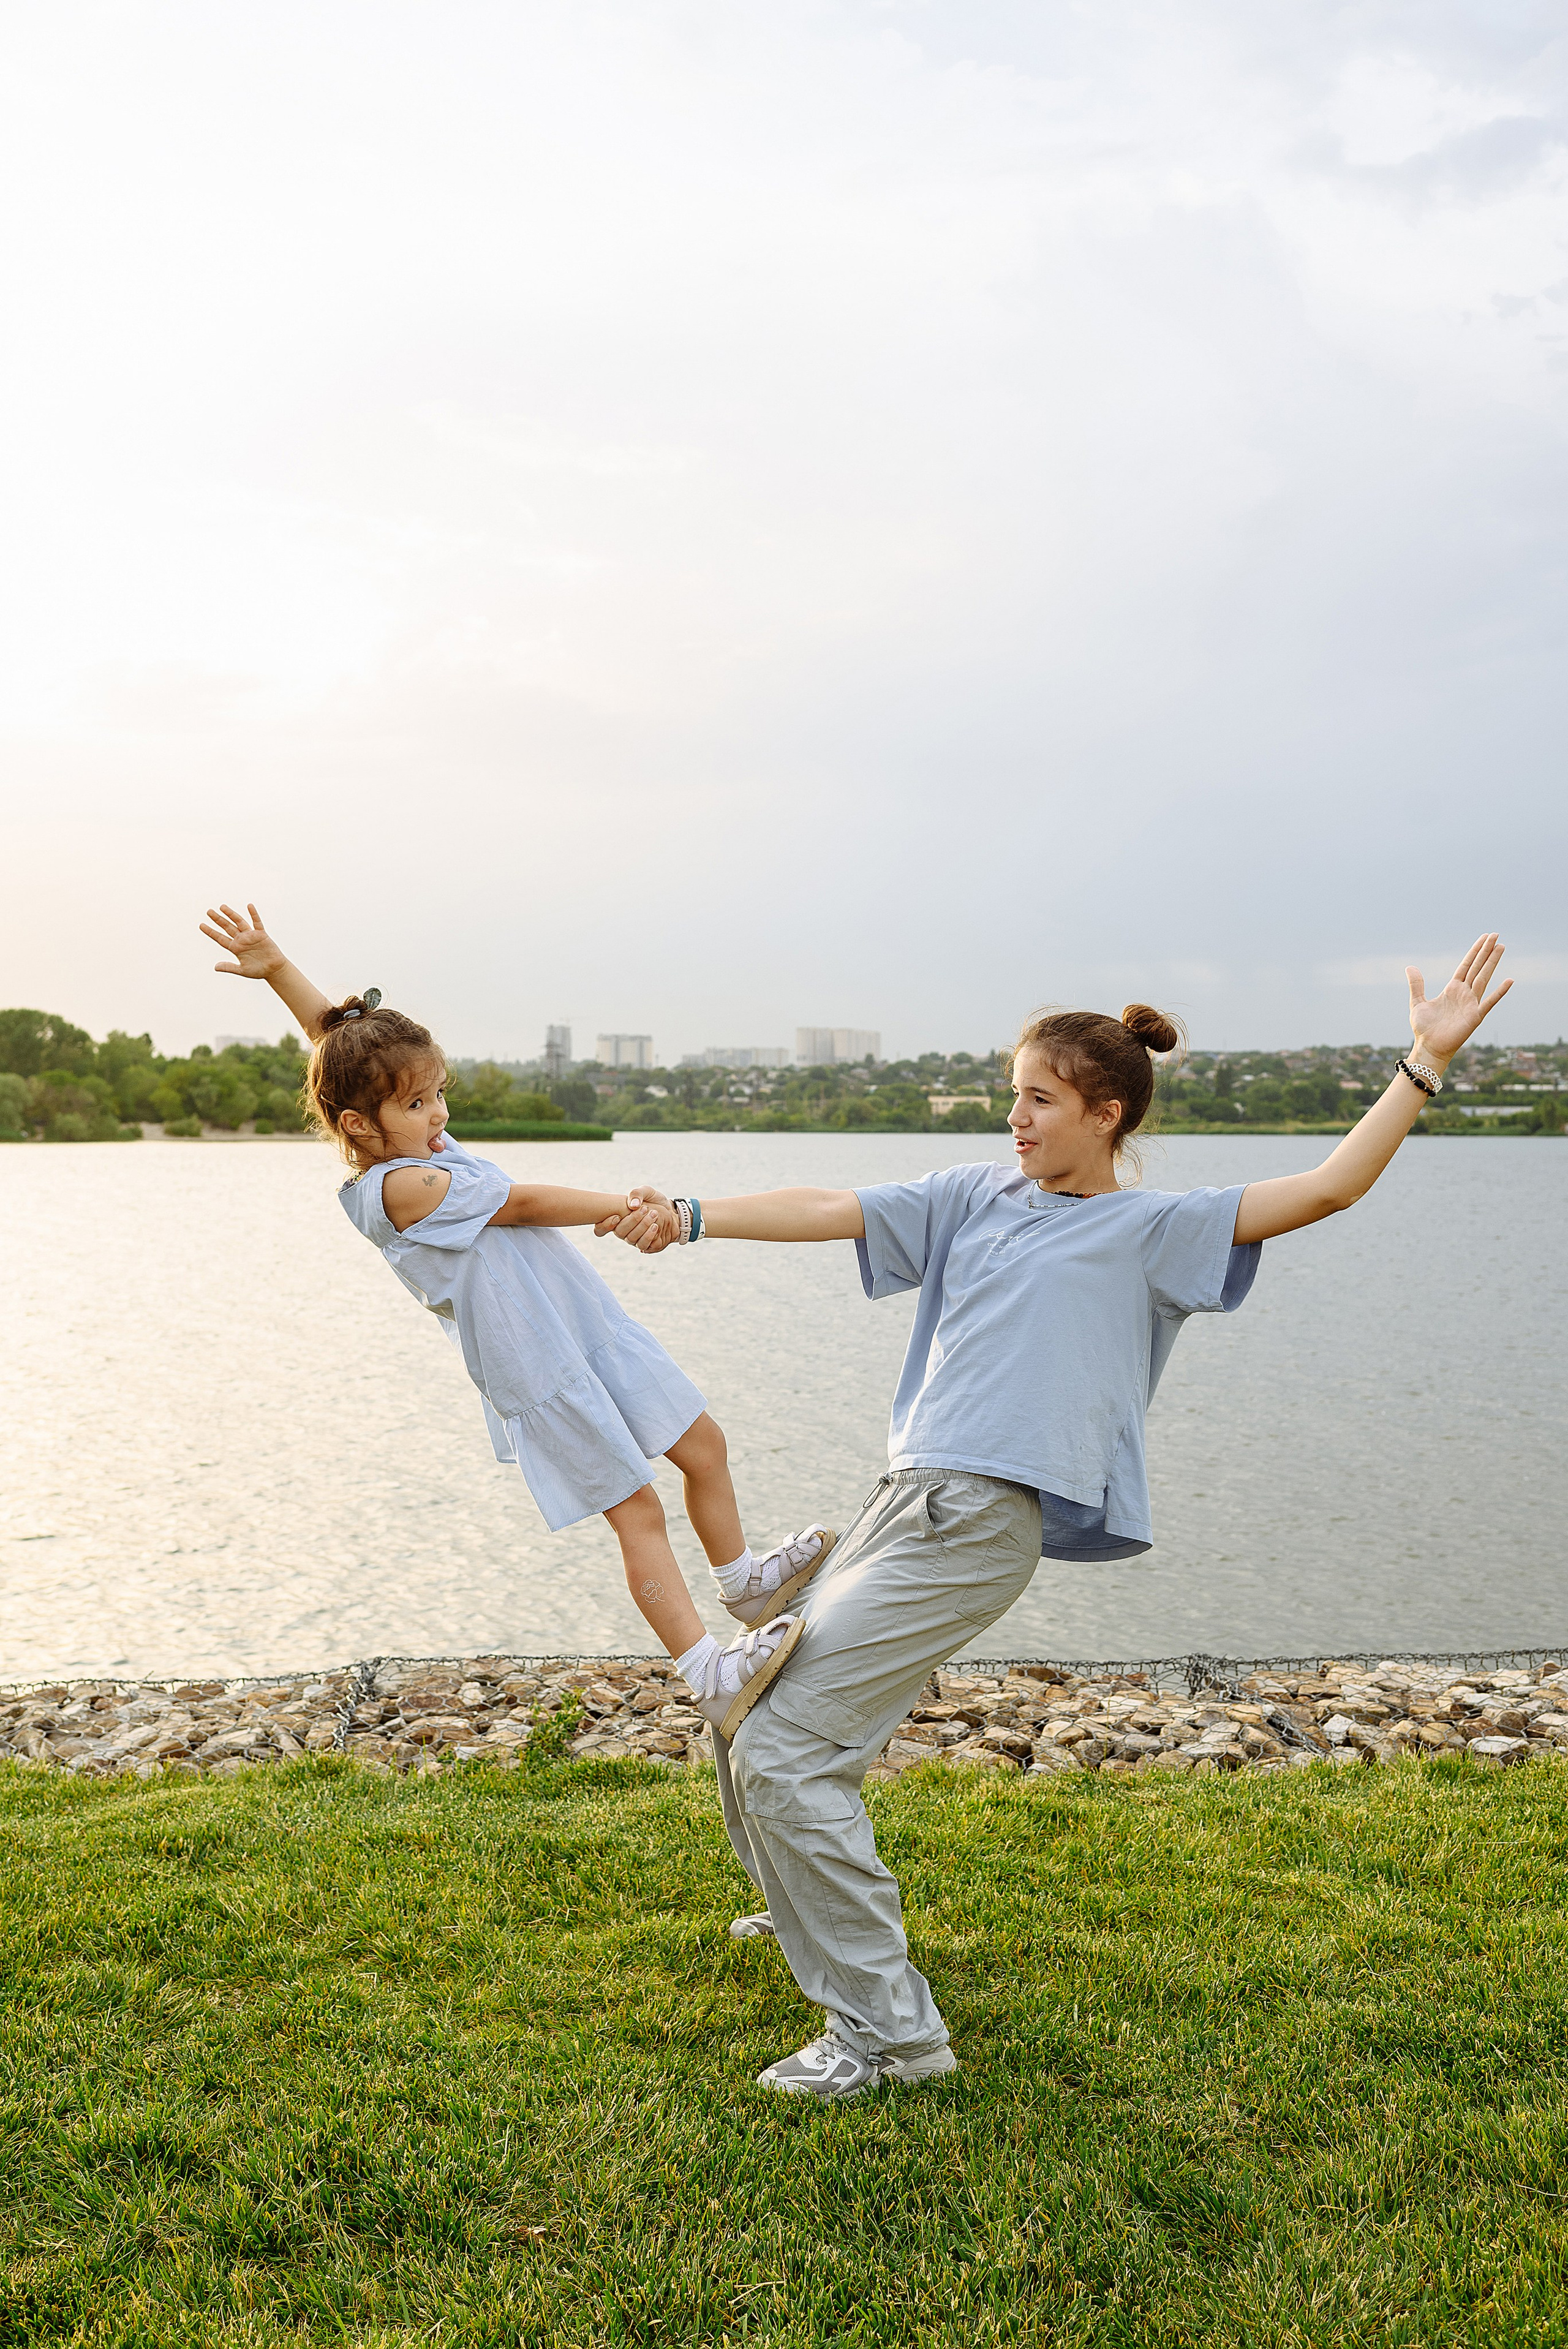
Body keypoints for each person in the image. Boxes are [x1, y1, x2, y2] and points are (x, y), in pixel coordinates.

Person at [627, 938, 1512, 2098]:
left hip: (981, 1520)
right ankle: (807, 1911)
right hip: (902, 1503)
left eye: (1038, 1101)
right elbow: (829, 1204)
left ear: (1104, 1114)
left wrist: (1423, 1060)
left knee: (790, 1755)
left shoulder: (1155, 1231)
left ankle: (893, 2039)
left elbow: (1331, 1187)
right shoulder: (970, 1196)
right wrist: (693, 1214)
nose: (1017, 1121)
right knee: (747, 1714)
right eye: (1012, 1098)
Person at [196, 901, 835, 1740]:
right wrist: (629, 1204)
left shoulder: (421, 1148)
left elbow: (340, 1040)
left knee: (702, 1442)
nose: (439, 1114)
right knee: (636, 1511)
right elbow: (525, 1202)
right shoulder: (395, 1191)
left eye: (437, 1094)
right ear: (361, 1125)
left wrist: (277, 966)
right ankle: (707, 1673)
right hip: (537, 1366)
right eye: (419, 1103)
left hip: (587, 1328)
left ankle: (746, 1581)